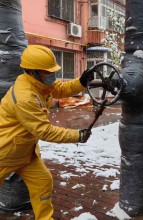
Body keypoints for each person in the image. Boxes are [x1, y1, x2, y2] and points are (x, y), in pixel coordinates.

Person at [0, 45, 94, 219]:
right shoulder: (25, 97)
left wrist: (80, 83)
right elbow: (45, 131)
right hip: (5, 152)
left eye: (52, 71)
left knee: (43, 182)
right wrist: (77, 135)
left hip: (25, 153)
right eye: (47, 72)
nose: (52, 75)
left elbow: (60, 89)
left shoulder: (39, 84)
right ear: (32, 71)